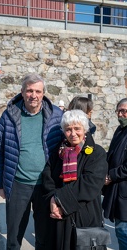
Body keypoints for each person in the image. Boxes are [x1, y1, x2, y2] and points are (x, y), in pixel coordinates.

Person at [0, 73, 63, 250]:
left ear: (43, 93)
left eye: (38, 91)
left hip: (46, 185)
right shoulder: (9, 115)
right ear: (22, 92)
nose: (34, 95)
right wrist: (0, 183)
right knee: (14, 232)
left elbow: (72, 137)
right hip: (18, 184)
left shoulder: (56, 114)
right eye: (30, 91)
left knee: (44, 231)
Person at [42, 110, 108, 250]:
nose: (73, 134)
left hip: (85, 217)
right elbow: (48, 179)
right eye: (68, 129)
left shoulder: (96, 153)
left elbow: (90, 183)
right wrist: (52, 202)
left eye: (77, 128)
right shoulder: (57, 153)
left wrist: (58, 199)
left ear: (85, 129)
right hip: (59, 218)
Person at [102, 98, 127, 250]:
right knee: (120, 230)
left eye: (125, 111)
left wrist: (111, 175)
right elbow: (112, 155)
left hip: (124, 191)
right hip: (119, 190)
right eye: (120, 111)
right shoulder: (120, 130)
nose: (123, 114)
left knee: (123, 231)